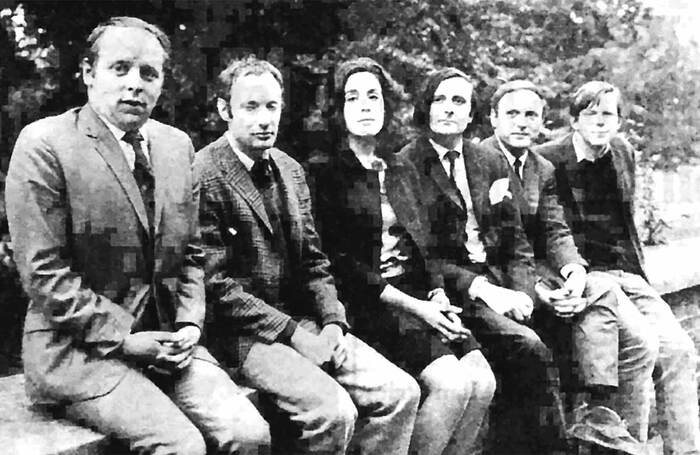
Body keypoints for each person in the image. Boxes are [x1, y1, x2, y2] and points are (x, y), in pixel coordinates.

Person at [4, 16, 269, 455]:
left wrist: (188, 321)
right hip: (80, 352)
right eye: (120, 68)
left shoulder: (175, 146)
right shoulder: (45, 144)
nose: (135, 84)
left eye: (149, 73)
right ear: (89, 74)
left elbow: (191, 252)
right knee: (182, 446)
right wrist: (124, 338)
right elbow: (43, 271)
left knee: (249, 435)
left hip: (168, 343)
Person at [195, 55, 420, 455]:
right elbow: (217, 287)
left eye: (272, 107)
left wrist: (333, 320)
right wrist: (295, 334)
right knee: (334, 412)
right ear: (223, 110)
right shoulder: (205, 173)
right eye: (251, 107)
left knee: (400, 392)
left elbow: (314, 261)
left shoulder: (290, 169)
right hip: (242, 336)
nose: (264, 119)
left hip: (306, 320)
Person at [312, 57, 495, 455]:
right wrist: (417, 307)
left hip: (416, 299)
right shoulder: (324, 173)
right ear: (338, 110)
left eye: (373, 97)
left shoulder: (399, 167)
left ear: (386, 106)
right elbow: (341, 266)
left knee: (483, 381)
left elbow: (424, 244)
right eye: (353, 97)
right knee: (452, 384)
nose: (364, 106)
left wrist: (437, 296)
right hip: (371, 305)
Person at [482, 79, 656, 452]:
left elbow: (555, 229)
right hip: (495, 281)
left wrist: (574, 271)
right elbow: (496, 249)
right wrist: (540, 292)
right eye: (512, 114)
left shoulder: (540, 167)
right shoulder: (479, 162)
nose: (522, 123)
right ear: (493, 119)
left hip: (537, 268)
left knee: (601, 290)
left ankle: (599, 413)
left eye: (531, 115)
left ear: (543, 120)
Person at [398, 67, 566, 455]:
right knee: (529, 348)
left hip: (499, 283)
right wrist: (486, 291)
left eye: (459, 101)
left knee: (553, 325)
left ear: (472, 113)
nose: (449, 109)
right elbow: (425, 255)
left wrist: (522, 293)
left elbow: (515, 239)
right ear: (426, 107)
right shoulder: (407, 164)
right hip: (452, 289)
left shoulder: (486, 159)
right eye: (440, 99)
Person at [537, 80, 700, 454]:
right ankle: (630, 447)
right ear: (574, 121)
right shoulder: (549, 160)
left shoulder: (622, 152)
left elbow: (626, 224)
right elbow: (543, 232)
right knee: (641, 343)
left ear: (619, 121)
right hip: (585, 274)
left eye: (607, 114)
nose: (599, 121)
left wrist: (639, 275)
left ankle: (686, 450)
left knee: (678, 351)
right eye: (589, 114)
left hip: (627, 273)